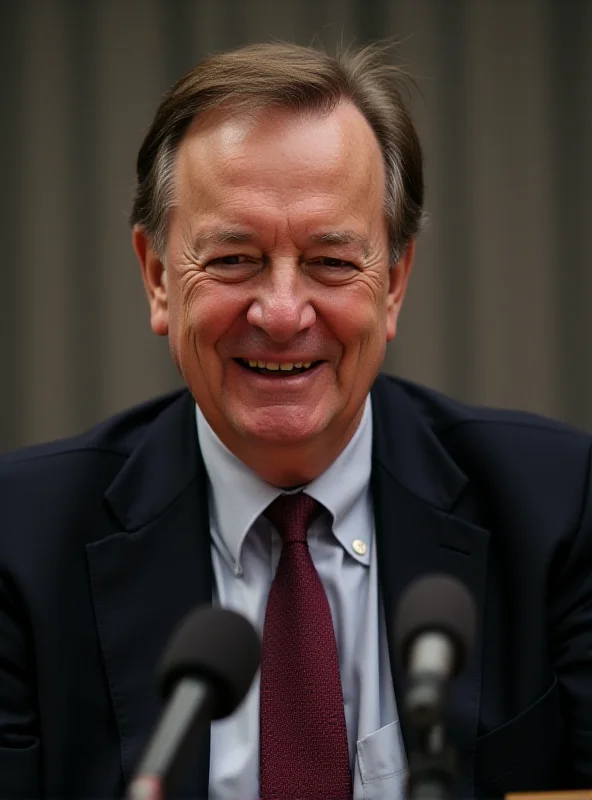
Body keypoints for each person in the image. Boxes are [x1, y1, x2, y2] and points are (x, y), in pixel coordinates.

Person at [0, 41, 591, 800]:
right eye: (235, 259)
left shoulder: (557, 512)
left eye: (332, 262)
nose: (281, 314)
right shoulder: (20, 541)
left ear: (395, 284)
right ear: (156, 278)